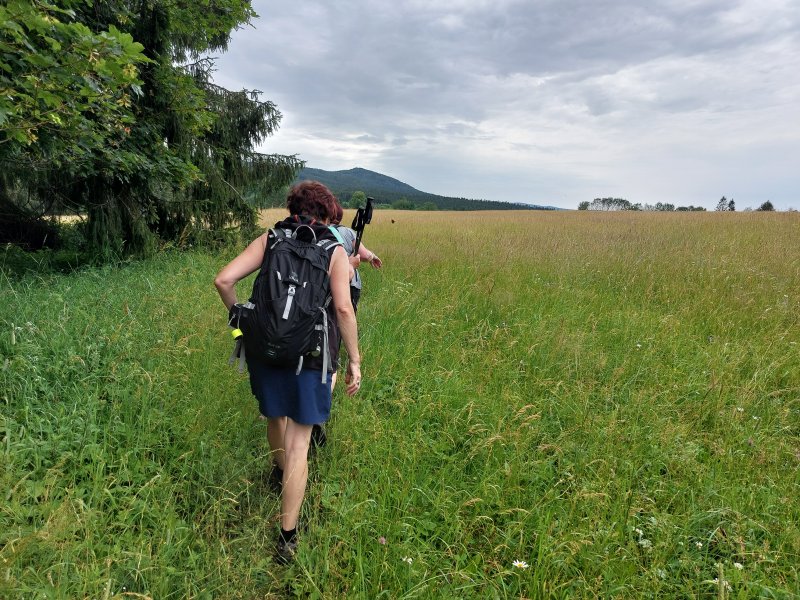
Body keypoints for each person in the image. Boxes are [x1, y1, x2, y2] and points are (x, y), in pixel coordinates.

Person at [214, 181, 362, 563]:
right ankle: (287, 539)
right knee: (301, 448)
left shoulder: (271, 239)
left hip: (265, 348)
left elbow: (224, 280)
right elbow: (344, 310)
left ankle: (277, 474)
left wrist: (239, 320)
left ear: (294, 208)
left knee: (273, 414)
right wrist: (355, 360)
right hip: (310, 355)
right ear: (327, 215)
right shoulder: (334, 251)